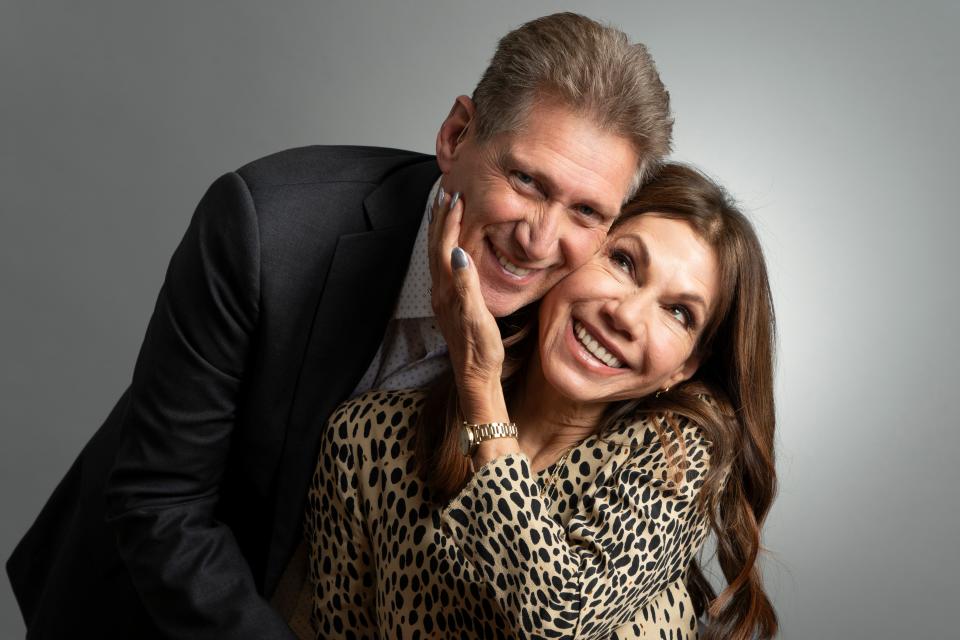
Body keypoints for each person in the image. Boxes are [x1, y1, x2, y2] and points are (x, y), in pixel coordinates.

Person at [6, 13, 672, 639]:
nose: (540, 239)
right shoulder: (266, 229)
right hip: (148, 604)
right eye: (527, 180)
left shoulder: (582, 330)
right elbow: (161, 503)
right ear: (456, 135)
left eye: (587, 212)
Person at [299, 164, 778, 639]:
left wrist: (480, 388)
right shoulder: (367, 438)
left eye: (678, 312)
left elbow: (557, 618)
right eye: (624, 262)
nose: (626, 316)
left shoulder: (678, 456)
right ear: (570, 253)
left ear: (685, 367)